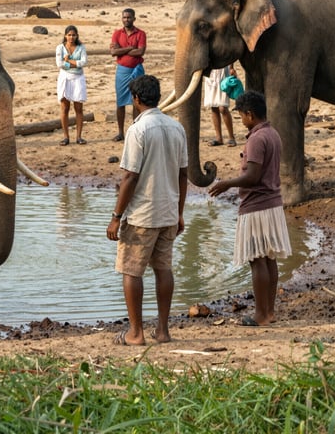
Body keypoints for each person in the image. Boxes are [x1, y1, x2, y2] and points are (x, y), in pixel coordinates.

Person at [106, 74, 188, 346]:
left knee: (132, 270)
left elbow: (130, 176)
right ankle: (162, 330)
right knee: (164, 269)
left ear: (136, 99)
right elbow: (183, 174)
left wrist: (116, 217)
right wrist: (179, 212)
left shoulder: (138, 130)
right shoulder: (176, 127)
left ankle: (136, 332)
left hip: (142, 213)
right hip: (168, 211)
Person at [207, 91, 291, 326]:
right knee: (269, 258)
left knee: (257, 259)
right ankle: (269, 312)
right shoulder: (272, 133)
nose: (241, 120)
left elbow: (252, 176)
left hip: (256, 205)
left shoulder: (256, 139)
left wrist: (227, 184)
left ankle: (261, 315)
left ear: (250, 115)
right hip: (272, 203)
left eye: (241, 116)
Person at [109, 8, 146, 142]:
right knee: (120, 102)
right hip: (122, 71)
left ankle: (135, 130)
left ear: (134, 19)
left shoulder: (140, 34)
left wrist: (122, 50)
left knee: (137, 101)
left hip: (137, 70)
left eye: (129, 17)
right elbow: (113, 52)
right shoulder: (117, 33)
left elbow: (141, 52)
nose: (126, 20)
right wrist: (130, 48)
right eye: (124, 17)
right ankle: (120, 132)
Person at [56, 24, 88, 145]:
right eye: (69, 35)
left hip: (78, 78)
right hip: (65, 78)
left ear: (77, 36)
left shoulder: (81, 47)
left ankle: (79, 137)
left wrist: (68, 61)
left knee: (78, 108)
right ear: (65, 36)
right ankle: (66, 137)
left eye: (73, 35)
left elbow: (84, 62)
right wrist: (74, 64)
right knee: (65, 108)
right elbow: (59, 64)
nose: (71, 37)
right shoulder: (60, 48)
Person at [203, 65, 237, 146]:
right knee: (214, 107)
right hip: (210, 73)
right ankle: (219, 138)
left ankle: (231, 137)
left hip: (223, 71)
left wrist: (231, 67)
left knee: (223, 108)